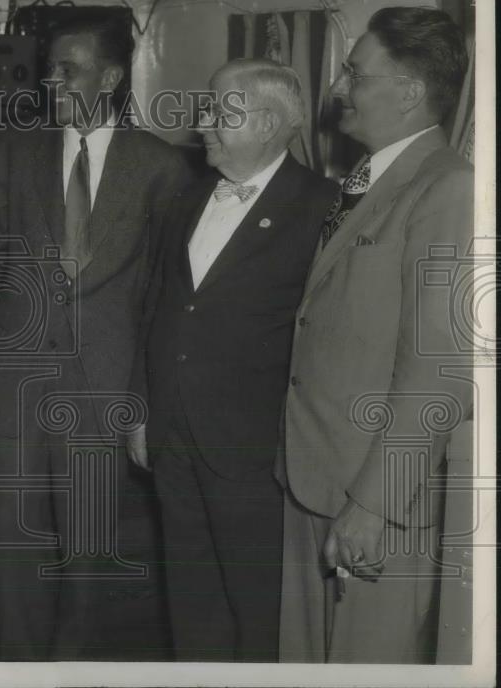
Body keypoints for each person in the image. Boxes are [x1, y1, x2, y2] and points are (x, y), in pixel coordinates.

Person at [0, 18, 193, 659]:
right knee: (10, 543)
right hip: (15, 377)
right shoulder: (15, 146)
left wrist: (145, 397)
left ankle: (69, 667)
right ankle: (18, 666)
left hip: (103, 382)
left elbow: (164, 296)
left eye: (70, 69)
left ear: (111, 78)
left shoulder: (162, 167)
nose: (53, 80)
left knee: (87, 546)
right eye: (51, 68)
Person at [276, 6, 473, 663]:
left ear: (410, 92)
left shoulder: (448, 189)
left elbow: (439, 372)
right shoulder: (367, 180)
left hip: (377, 498)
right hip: (313, 477)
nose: (338, 88)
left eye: (357, 74)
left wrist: (373, 506)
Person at [126, 59, 337, 661]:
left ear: (267, 123)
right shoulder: (188, 198)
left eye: (220, 111)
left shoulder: (323, 207)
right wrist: (142, 409)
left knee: (258, 607)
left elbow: (325, 338)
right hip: (173, 434)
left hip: (255, 447)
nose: (202, 123)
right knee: (191, 599)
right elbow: (158, 309)